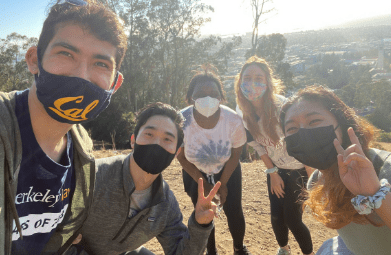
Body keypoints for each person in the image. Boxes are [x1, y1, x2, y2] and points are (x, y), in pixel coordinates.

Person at [0, 0, 126, 254]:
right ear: (33, 60)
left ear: (115, 84)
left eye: (100, 63)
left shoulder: (81, 147)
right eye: (66, 54)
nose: (82, 75)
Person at [68, 102, 221, 255]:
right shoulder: (93, 177)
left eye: (167, 139)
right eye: (149, 134)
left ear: (176, 153)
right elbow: (52, 235)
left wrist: (200, 225)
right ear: (133, 140)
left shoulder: (165, 204)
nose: (156, 143)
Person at [279, 85, 391, 255]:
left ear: (342, 123)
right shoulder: (316, 181)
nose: (303, 134)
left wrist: (375, 193)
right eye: (292, 129)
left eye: (314, 121)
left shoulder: (384, 166)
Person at [234, 56, 314, 255]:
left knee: (293, 219)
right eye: (247, 78)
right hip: (275, 169)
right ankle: (284, 249)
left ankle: (309, 253)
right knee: (276, 216)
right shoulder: (243, 111)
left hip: (299, 170)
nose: (253, 83)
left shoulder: (284, 108)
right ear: (240, 82)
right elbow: (259, 146)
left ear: (268, 82)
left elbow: (305, 143)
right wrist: (272, 172)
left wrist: (313, 180)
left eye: (259, 78)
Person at [177, 67, 251, 255]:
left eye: (213, 94)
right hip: (195, 172)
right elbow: (181, 156)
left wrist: (221, 184)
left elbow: (235, 155)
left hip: (227, 169)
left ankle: (238, 248)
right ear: (190, 97)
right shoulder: (180, 121)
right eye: (200, 93)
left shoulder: (233, 121)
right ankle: (211, 251)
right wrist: (202, 182)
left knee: (234, 211)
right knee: (204, 213)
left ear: (221, 97)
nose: (207, 98)